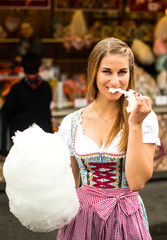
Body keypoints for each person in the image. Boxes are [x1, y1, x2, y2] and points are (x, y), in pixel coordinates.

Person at [56, 37, 160, 239]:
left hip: (125, 218)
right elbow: (68, 186)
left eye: (122, 72)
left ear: (130, 74)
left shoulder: (144, 118)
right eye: (107, 72)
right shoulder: (72, 123)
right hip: (81, 218)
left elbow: (137, 182)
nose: (115, 81)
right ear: (94, 72)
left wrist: (135, 124)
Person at [0, 53, 53, 157]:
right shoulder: (47, 87)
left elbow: (6, 110)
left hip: (21, 137)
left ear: (22, 69)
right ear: (39, 68)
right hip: (43, 135)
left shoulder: (17, 88)